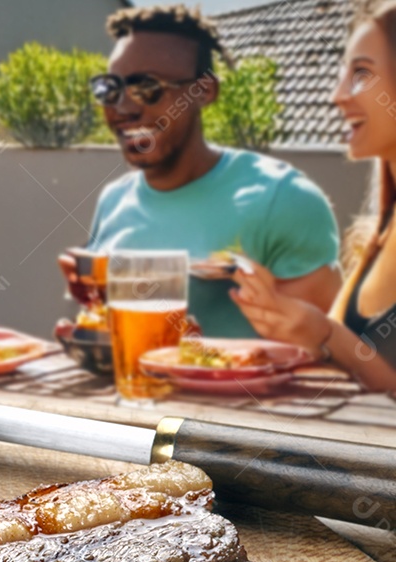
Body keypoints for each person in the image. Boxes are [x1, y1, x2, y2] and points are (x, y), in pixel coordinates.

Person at [61, 5, 342, 339]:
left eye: (147, 87)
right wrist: (89, 324)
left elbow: (328, 356)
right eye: (109, 88)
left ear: (204, 90)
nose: (124, 108)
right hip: (131, 390)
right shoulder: (114, 200)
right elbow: (112, 332)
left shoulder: (282, 198)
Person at [232, 2, 396, 392]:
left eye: (361, 73)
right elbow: (346, 364)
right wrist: (289, 319)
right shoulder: (378, 233)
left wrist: (323, 332)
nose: (337, 95)